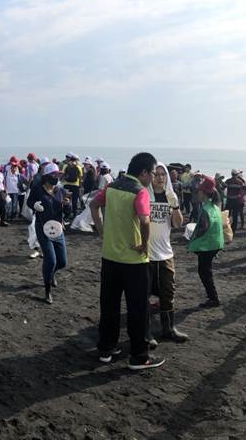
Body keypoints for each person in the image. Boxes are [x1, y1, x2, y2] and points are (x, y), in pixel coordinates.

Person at [89, 152, 164, 370]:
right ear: (144, 172)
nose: (153, 177)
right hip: (134, 261)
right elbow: (145, 220)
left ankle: (106, 348)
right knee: (138, 309)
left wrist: (102, 231)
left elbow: (93, 205)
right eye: (152, 173)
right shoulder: (140, 191)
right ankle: (139, 357)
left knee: (109, 305)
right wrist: (144, 243)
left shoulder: (111, 187)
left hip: (110, 257)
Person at [144, 164, 188, 343]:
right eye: (157, 174)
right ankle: (146, 333)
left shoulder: (170, 196)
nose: (160, 177)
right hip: (145, 254)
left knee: (168, 293)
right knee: (144, 295)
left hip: (165, 254)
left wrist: (175, 206)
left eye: (163, 174)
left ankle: (168, 329)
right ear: (151, 176)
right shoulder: (144, 195)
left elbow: (177, 224)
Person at [29, 172, 67, 303]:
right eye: (54, 177)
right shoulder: (37, 189)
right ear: (46, 178)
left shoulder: (59, 190)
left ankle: (51, 274)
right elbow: (29, 202)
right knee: (51, 260)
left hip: (57, 229)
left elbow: (64, 210)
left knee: (62, 262)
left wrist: (66, 205)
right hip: (43, 228)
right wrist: (34, 205)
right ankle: (47, 291)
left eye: (58, 177)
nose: (56, 179)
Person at [188, 176, 225, 308]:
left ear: (203, 193)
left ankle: (213, 298)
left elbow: (202, 228)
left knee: (204, 272)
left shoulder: (205, 209)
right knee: (206, 271)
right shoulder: (215, 206)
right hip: (216, 243)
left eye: (199, 191)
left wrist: (191, 237)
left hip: (207, 245)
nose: (197, 193)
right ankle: (213, 297)